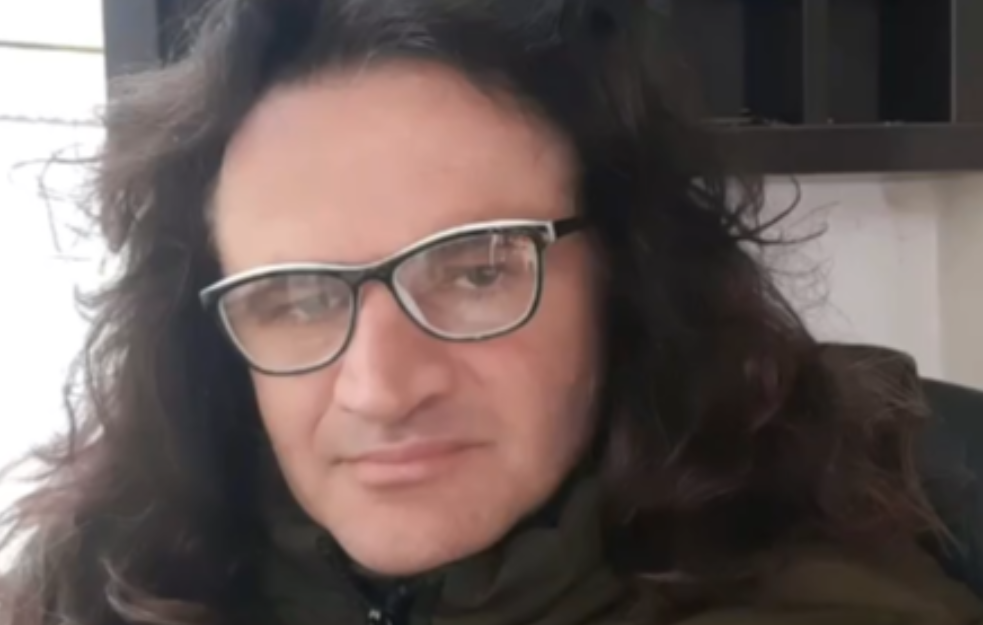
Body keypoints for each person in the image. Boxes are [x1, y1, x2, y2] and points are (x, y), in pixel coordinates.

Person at [1, 0, 980, 624]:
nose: (381, 389)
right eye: (293, 298)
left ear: (626, 277)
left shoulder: (822, 592)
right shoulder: (102, 574)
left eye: (476, 271)